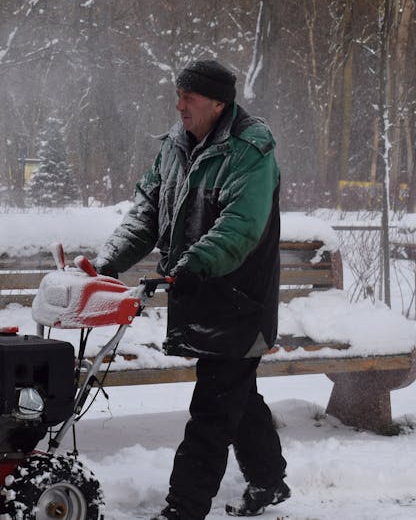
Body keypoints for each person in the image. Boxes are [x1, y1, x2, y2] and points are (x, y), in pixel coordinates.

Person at [92, 59, 289, 520]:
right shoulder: (176, 147)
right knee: (237, 394)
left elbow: (239, 227)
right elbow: (146, 211)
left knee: (214, 408)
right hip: (198, 292)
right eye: (178, 94)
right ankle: (268, 481)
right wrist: (107, 264)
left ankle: (183, 508)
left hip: (241, 299)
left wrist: (193, 264)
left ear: (218, 103)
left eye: (189, 97)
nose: (178, 105)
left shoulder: (249, 152)